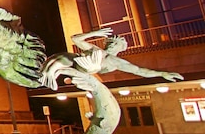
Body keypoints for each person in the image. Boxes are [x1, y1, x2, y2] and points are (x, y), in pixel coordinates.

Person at [40, 27, 183, 90]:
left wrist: (162, 73)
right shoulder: (97, 50)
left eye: (115, 44)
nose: (111, 45)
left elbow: (140, 71)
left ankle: (52, 73)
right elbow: (75, 39)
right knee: (67, 58)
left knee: (91, 70)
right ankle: (49, 73)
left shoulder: (115, 61)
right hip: (71, 63)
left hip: (83, 72)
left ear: (120, 48)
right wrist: (94, 33)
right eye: (110, 43)